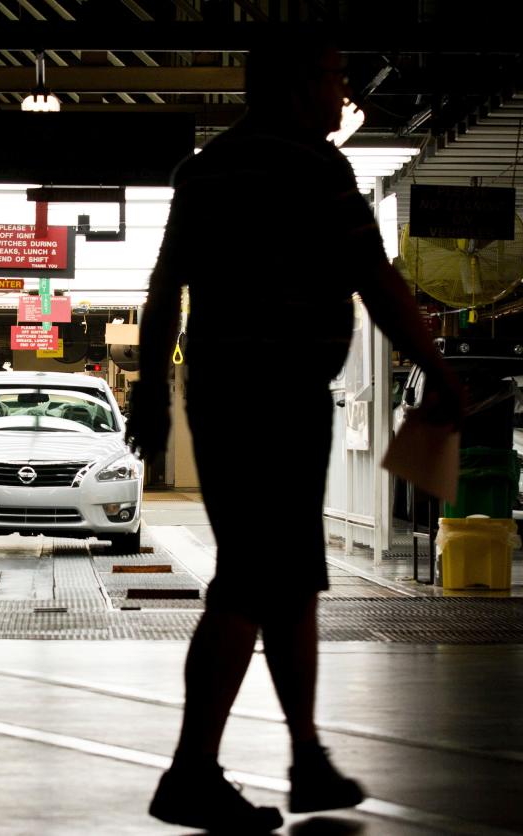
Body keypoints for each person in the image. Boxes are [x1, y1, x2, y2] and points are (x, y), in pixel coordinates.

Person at [126, 31, 463, 833]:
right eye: (334, 76)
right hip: (277, 394)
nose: (342, 94)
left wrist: (151, 387)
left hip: (222, 389)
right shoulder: (317, 169)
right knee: (252, 578)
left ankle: (308, 759)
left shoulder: (203, 171)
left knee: (290, 578)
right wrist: (441, 370)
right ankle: (191, 773)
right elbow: (376, 282)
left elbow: (165, 285)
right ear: (293, 83)